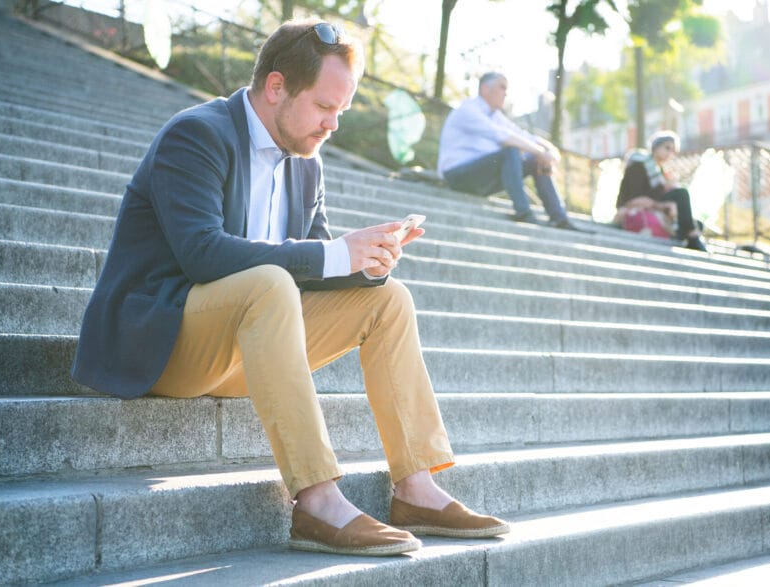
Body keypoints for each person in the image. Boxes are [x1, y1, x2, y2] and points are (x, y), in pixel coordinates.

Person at [71, 20, 509, 557]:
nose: (334, 125)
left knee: (387, 300)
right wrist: (331, 255)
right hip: (164, 342)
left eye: (341, 111)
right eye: (326, 107)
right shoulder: (196, 135)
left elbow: (315, 268)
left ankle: (415, 489)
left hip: (249, 345)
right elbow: (202, 253)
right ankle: (317, 501)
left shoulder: (307, 164)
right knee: (269, 283)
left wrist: (368, 262)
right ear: (276, 87)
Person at [438, 71, 584, 230]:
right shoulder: (468, 110)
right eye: (502, 87)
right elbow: (504, 137)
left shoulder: (496, 116)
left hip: (481, 178)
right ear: (486, 89)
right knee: (512, 151)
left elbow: (525, 136)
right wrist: (541, 153)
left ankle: (559, 218)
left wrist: (551, 152)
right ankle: (524, 213)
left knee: (534, 159)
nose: (506, 93)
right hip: (457, 176)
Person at [615, 131, 707, 252]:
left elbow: (656, 196)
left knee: (698, 224)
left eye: (673, 151)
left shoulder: (659, 170)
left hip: (654, 207)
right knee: (681, 193)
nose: (670, 153)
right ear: (656, 146)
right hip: (633, 206)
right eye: (667, 148)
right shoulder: (639, 164)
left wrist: (667, 194)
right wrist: (664, 196)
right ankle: (692, 236)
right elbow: (637, 197)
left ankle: (690, 234)